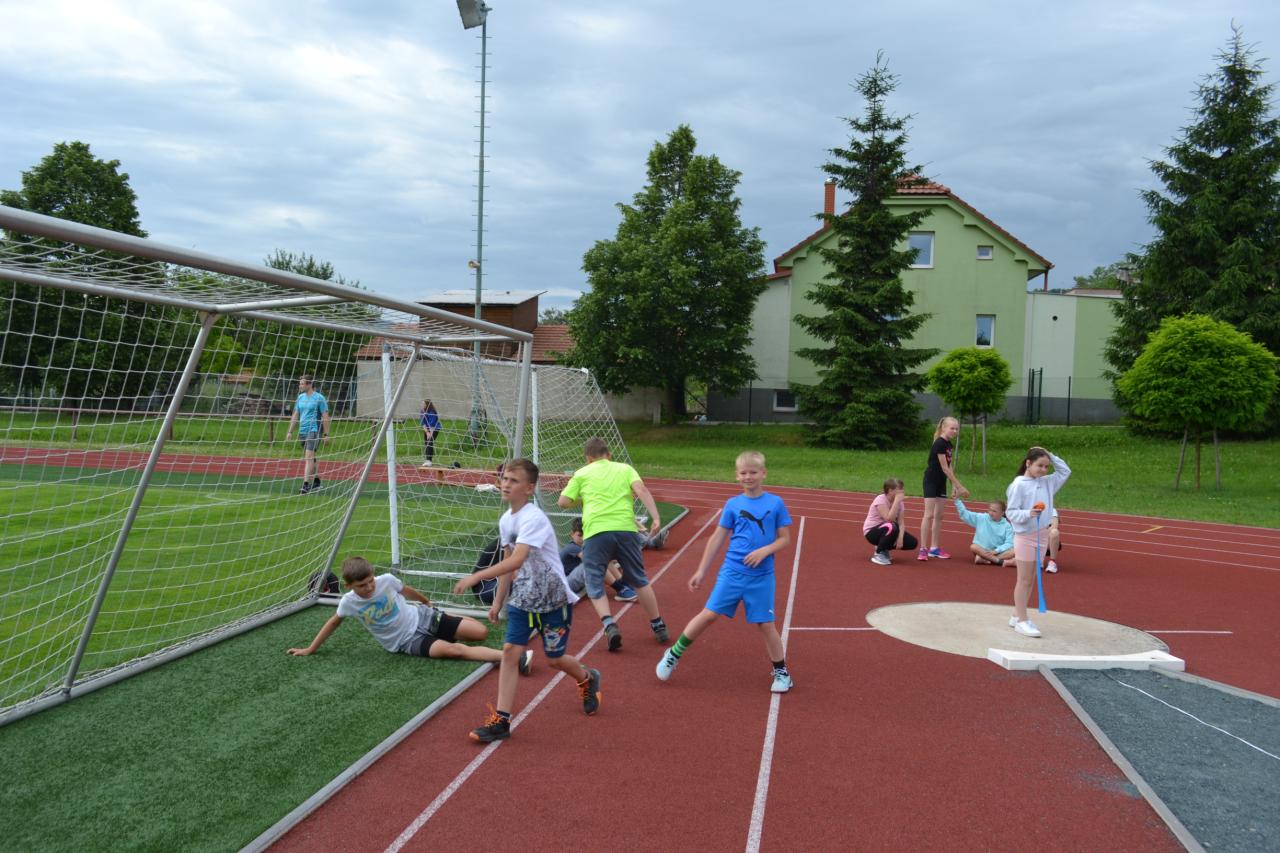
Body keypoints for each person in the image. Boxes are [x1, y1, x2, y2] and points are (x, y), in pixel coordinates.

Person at [452, 458, 602, 743]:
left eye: (514, 480)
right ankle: (502, 721)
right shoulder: (506, 520)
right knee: (510, 652)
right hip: (522, 598)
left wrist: (477, 576)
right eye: (504, 479)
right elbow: (508, 563)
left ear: (530, 488)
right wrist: (498, 601)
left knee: (554, 660)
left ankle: (587, 677)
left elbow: (519, 558)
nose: (506, 484)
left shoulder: (534, 518)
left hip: (553, 599)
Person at [656, 450, 794, 692]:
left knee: (766, 624)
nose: (748, 477)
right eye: (743, 473)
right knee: (709, 615)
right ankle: (673, 654)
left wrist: (765, 551)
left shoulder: (775, 503)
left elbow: (785, 538)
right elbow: (717, 538)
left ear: (763, 473)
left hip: (761, 577)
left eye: (753, 472)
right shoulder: (733, 504)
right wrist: (701, 571)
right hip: (732, 572)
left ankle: (782, 672)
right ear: (737, 476)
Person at [286, 556, 531, 674]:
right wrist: (310, 649)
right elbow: (333, 623)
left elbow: (406, 590)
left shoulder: (386, 580)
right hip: (406, 641)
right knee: (454, 650)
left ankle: (443, 617)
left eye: (370, 581)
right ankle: (513, 658)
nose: (369, 588)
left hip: (422, 616)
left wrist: (426, 603)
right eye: (362, 586)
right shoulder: (348, 602)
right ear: (349, 586)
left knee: (481, 632)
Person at [557, 437, 668, 651]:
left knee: (594, 581)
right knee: (640, 579)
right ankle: (658, 624)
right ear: (609, 455)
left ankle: (609, 624)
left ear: (588, 459)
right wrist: (655, 517)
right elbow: (641, 490)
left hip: (596, 532)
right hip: (625, 529)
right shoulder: (624, 469)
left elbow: (562, 502)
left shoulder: (581, 473)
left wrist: (584, 498)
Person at [1004, 447, 1071, 637]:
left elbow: (1065, 471)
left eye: (1046, 466)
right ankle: (1022, 621)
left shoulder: (1048, 482)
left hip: (1042, 535)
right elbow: (1010, 512)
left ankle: (1017, 615)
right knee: (1024, 579)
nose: (1043, 470)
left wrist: (1049, 454)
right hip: (1025, 537)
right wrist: (1029, 513)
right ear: (1028, 463)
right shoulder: (1018, 485)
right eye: (1039, 465)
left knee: (1031, 578)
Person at [918, 416, 969, 561]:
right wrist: (960, 486)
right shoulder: (939, 443)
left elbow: (949, 465)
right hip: (931, 481)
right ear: (944, 428)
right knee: (928, 515)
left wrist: (953, 485)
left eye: (957, 429)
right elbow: (944, 468)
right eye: (952, 428)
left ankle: (934, 548)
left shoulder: (948, 444)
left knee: (939, 516)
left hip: (941, 482)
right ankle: (923, 549)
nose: (955, 431)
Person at [561, 518, 638, 601]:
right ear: (572, 534)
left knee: (602, 559)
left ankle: (623, 583)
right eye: (579, 535)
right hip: (565, 586)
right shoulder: (571, 547)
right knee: (594, 562)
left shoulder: (584, 546)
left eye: (585, 535)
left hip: (574, 581)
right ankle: (620, 589)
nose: (582, 538)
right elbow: (592, 560)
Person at [284, 375, 330, 494]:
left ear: (309, 384)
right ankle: (317, 481)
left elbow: (325, 416)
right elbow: (296, 415)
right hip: (302, 431)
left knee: (308, 457)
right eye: (300, 384)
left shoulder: (319, 398)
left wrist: (326, 434)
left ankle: (306, 485)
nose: (300, 386)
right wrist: (290, 431)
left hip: (314, 430)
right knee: (311, 457)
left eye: (302, 384)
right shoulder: (300, 398)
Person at [862, 478, 918, 565]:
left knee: (912, 542)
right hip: (872, 532)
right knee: (891, 525)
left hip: (889, 529)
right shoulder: (880, 499)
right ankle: (879, 553)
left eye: (902, 489)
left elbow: (901, 522)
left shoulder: (900, 503)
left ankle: (884, 547)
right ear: (890, 491)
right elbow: (889, 519)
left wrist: (900, 538)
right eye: (900, 489)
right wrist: (896, 501)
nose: (902, 491)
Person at [954, 497, 1015, 565]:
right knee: (973, 547)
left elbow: (1009, 543)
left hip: (997, 552)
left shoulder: (1007, 526)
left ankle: (986, 559)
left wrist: (996, 551)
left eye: (994, 511)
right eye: (990, 510)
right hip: (982, 550)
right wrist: (957, 500)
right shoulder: (982, 518)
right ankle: (999, 561)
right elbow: (965, 514)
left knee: (1014, 551)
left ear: (1002, 513)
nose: (991, 513)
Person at [418, 399, 441, 469]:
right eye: (421, 403)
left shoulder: (432, 412)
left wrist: (430, 433)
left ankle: (429, 461)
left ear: (427, 404)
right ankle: (428, 459)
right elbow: (423, 423)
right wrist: (427, 432)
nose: (422, 405)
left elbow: (432, 424)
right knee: (426, 443)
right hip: (427, 429)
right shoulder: (422, 411)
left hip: (434, 429)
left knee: (429, 442)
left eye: (423, 404)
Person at [1043, 509, 1063, 573]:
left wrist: (1040, 533)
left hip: (1044, 540)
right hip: (1031, 540)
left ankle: (1052, 562)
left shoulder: (1051, 509)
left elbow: (1054, 526)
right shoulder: (1028, 509)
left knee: (1054, 532)